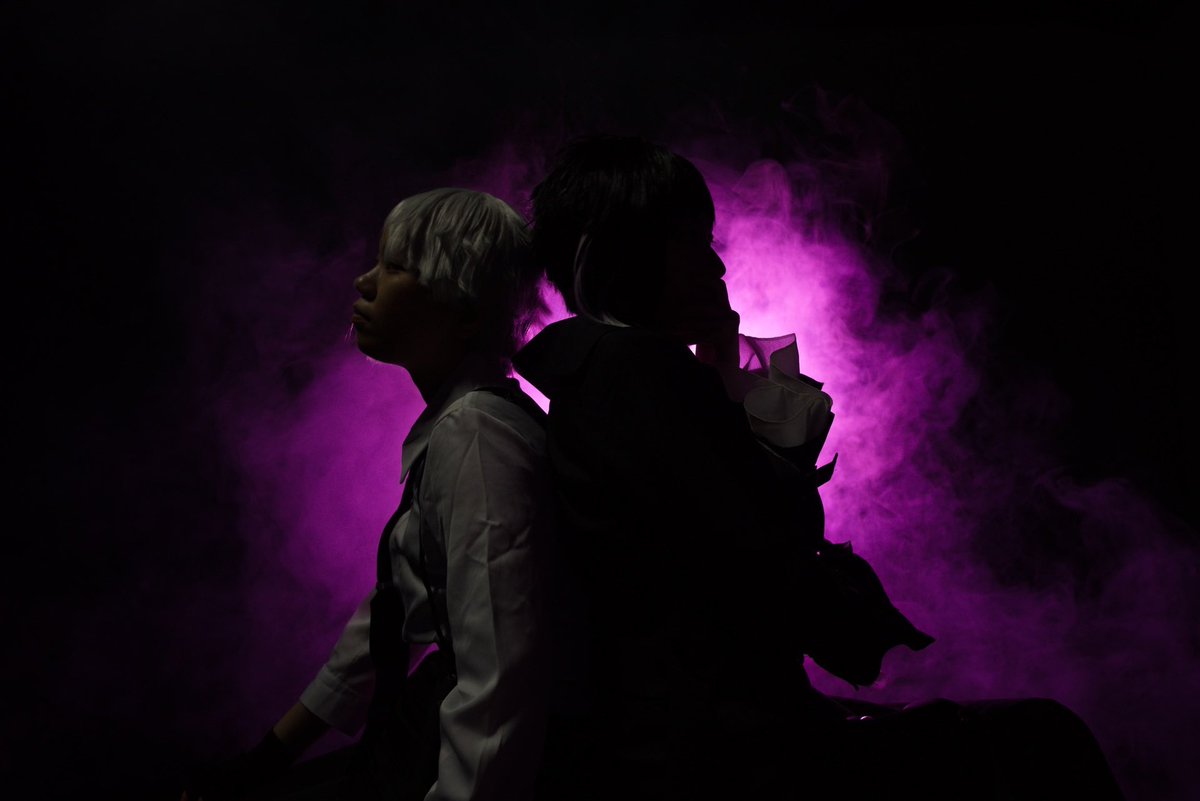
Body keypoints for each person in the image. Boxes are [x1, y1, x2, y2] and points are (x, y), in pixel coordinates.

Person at [514, 135, 1126, 800]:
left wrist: (724, 372)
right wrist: (747, 392)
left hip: (693, 730)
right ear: (625, 252)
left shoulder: (599, 375)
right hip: (722, 749)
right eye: (691, 239)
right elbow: (770, 540)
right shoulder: (641, 377)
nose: (715, 264)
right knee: (1041, 742)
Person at [184, 188, 551, 801]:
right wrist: (267, 759)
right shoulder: (463, 424)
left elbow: (499, 685)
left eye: (396, 266)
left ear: (464, 312)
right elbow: (387, 622)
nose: (364, 281)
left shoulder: (477, 436)